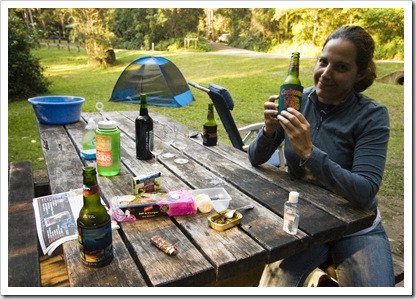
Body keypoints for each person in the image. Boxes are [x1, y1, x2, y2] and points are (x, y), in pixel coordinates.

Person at [248, 25, 395, 287]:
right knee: (274, 288)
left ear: (359, 74)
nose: (325, 74)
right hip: (303, 221)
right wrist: (269, 131)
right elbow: (255, 158)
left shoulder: (372, 115)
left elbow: (365, 191)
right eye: (323, 62)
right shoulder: (298, 100)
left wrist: (309, 152)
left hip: (356, 227)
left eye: (340, 67)